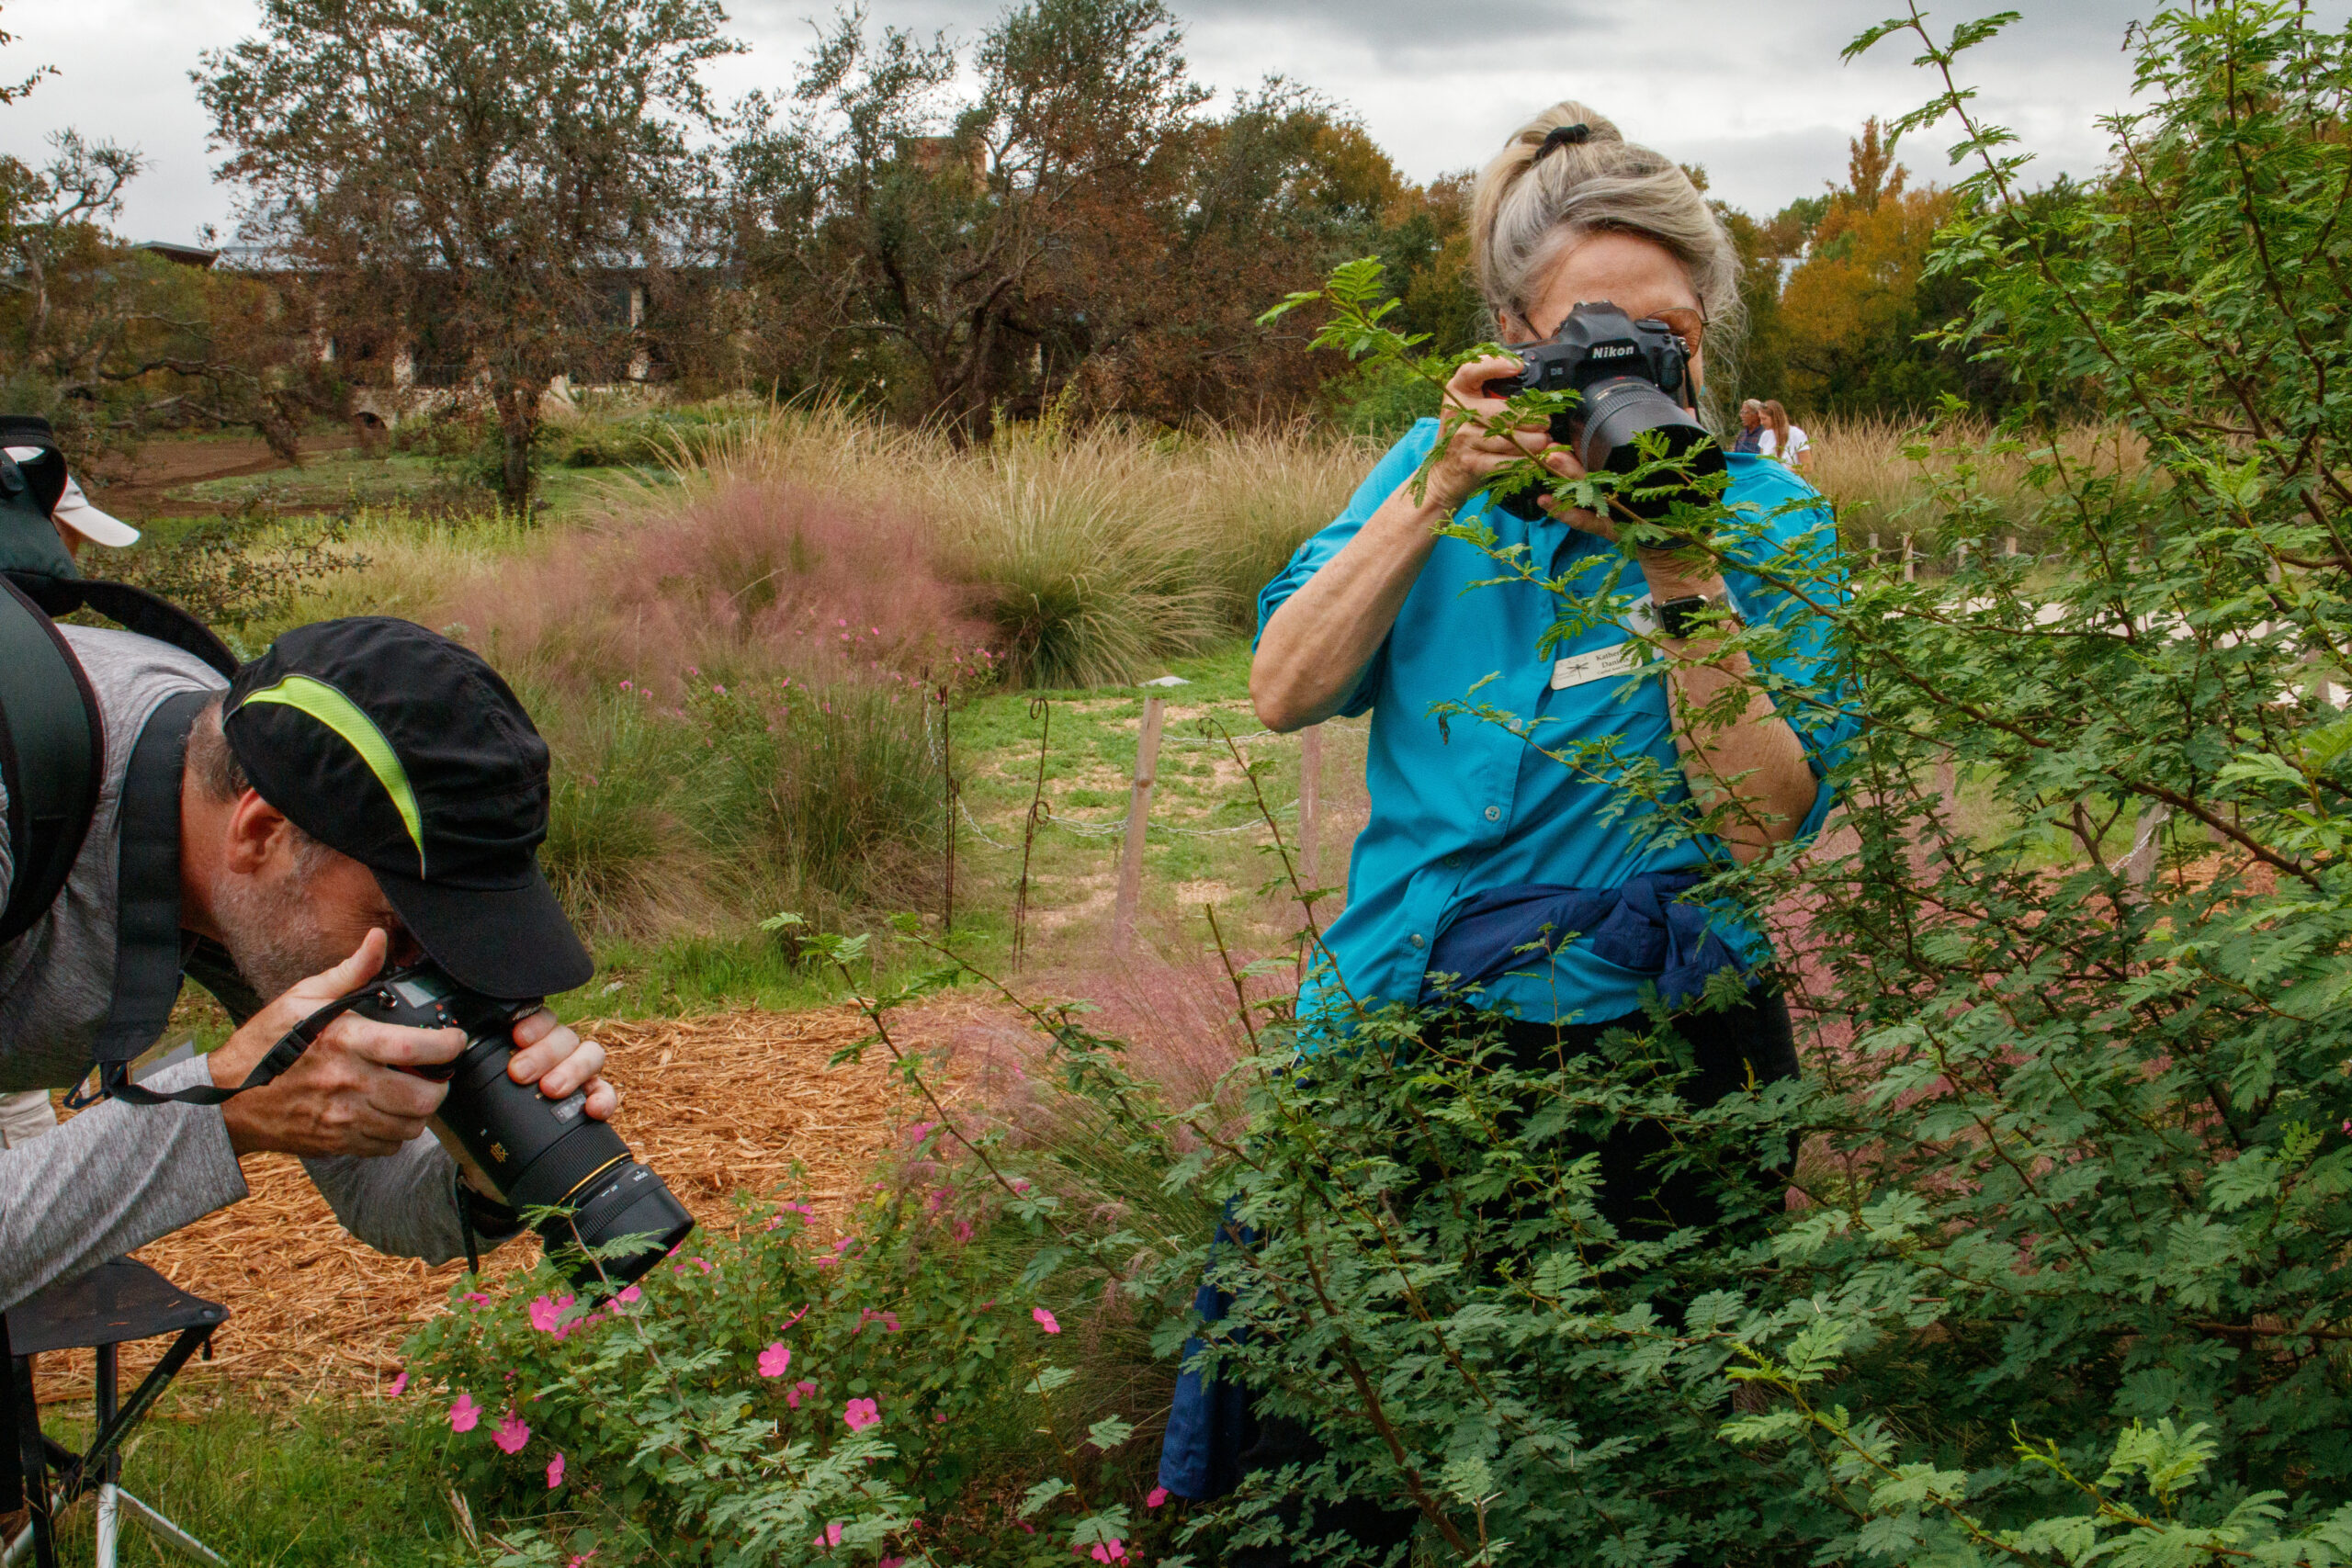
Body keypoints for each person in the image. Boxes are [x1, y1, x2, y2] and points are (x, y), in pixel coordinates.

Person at [1159, 100, 1858, 1559]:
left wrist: (1680, 568)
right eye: (1592, 338)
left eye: (1666, 338)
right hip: (1401, 1031)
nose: (1632, 371)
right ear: (1512, 339)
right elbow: (1288, 688)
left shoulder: (1771, 525)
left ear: (1708, 346)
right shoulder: (1429, 471)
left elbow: (1754, 823)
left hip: (1669, 1050)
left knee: (1636, 1469)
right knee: (1347, 1444)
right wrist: (1436, 493)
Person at [0, 614, 617, 1313]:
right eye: (399, 927)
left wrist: (486, 1168)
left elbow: (367, 1187)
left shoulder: (244, 780)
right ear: (260, 833)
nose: (419, 971)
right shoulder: (20, 793)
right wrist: (227, 1107)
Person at [1758, 397, 1812, 469]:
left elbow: (1808, 467)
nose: (1761, 422)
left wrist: (1784, 471)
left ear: (1775, 417)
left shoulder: (1797, 434)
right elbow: (1763, 463)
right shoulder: (1765, 435)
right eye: (1760, 418)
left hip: (1789, 478)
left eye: (1764, 419)